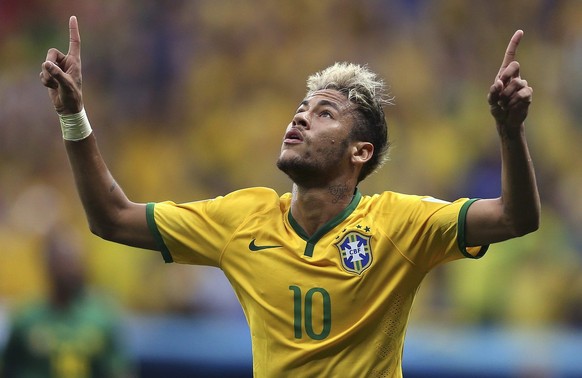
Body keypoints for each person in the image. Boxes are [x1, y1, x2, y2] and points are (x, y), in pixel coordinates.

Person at [39, 16, 540, 377]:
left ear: (359, 151)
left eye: (324, 113)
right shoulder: (243, 218)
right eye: (301, 108)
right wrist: (72, 116)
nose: (299, 117)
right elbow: (112, 218)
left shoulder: (399, 223)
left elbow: (517, 218)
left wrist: (510, 131)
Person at [1, 230, 133, 378]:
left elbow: (118, 369)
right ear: (48, 264)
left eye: (74, 260)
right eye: (63, 261)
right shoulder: (26, 316)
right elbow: (8, 368)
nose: (70, 268)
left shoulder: (101, 316)